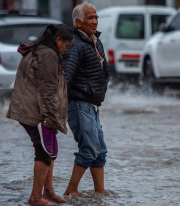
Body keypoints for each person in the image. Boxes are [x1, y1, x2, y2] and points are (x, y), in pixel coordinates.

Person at [6, 24, 73, 205]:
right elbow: (47, 91)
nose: (66, 49)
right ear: (58, 40)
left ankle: (48, 192)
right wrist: (50, 118)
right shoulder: (48, 55)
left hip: (36, 110)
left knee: (50, 152)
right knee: (44, 153)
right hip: (38, 112)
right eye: (66, 45)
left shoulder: (41, 50)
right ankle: (35, 198)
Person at [62, 2, 110, 196]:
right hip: (79, 104)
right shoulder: (75, 44)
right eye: (90, 18)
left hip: (92, 105)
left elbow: (105, 70)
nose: (95, 21)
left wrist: (101, 89)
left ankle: (100, 191)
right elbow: (66, 75)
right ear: (78, 22)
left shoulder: (95, 41)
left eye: (96, 17)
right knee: (89, 149)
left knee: (100, 152)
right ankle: (71, 190)